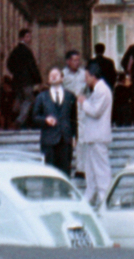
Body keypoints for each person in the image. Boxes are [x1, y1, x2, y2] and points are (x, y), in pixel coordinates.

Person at [79, 59, 113, 207]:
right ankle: (90, 197)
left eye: (87, 77)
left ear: (93, 76)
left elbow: (95, 111)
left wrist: (83, 102)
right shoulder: (98, 90)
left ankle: (104, 198)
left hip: (98, 136)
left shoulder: (102, 90)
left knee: (101, 170)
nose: (85, 80)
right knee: (91, 172)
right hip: (93, 137)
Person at [33, 67, 76, 176]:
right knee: (49, 172)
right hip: (49, 140)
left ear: (62, 78)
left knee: (66, 172)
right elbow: (34, 117)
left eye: (56, 74)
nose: (53, 77)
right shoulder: (42, 97)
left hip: (65, 139)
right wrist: (45, 120)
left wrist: (74, 136)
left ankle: (65, 193)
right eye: (50, 75)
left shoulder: (70, 96)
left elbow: (74, 118)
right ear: (48, 79)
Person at [6, 28, 42, 129]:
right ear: (22, 38)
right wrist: (38, 79)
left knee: (20, 100)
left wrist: (16, 73)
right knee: (28, 100)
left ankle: (14, 117)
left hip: (17, 81)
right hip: (27, 81)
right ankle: (19, 120)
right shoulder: (26, 51)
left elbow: (9, 64)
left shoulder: (15, 51)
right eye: (27, 37)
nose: (29, 39)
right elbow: (32, 66)